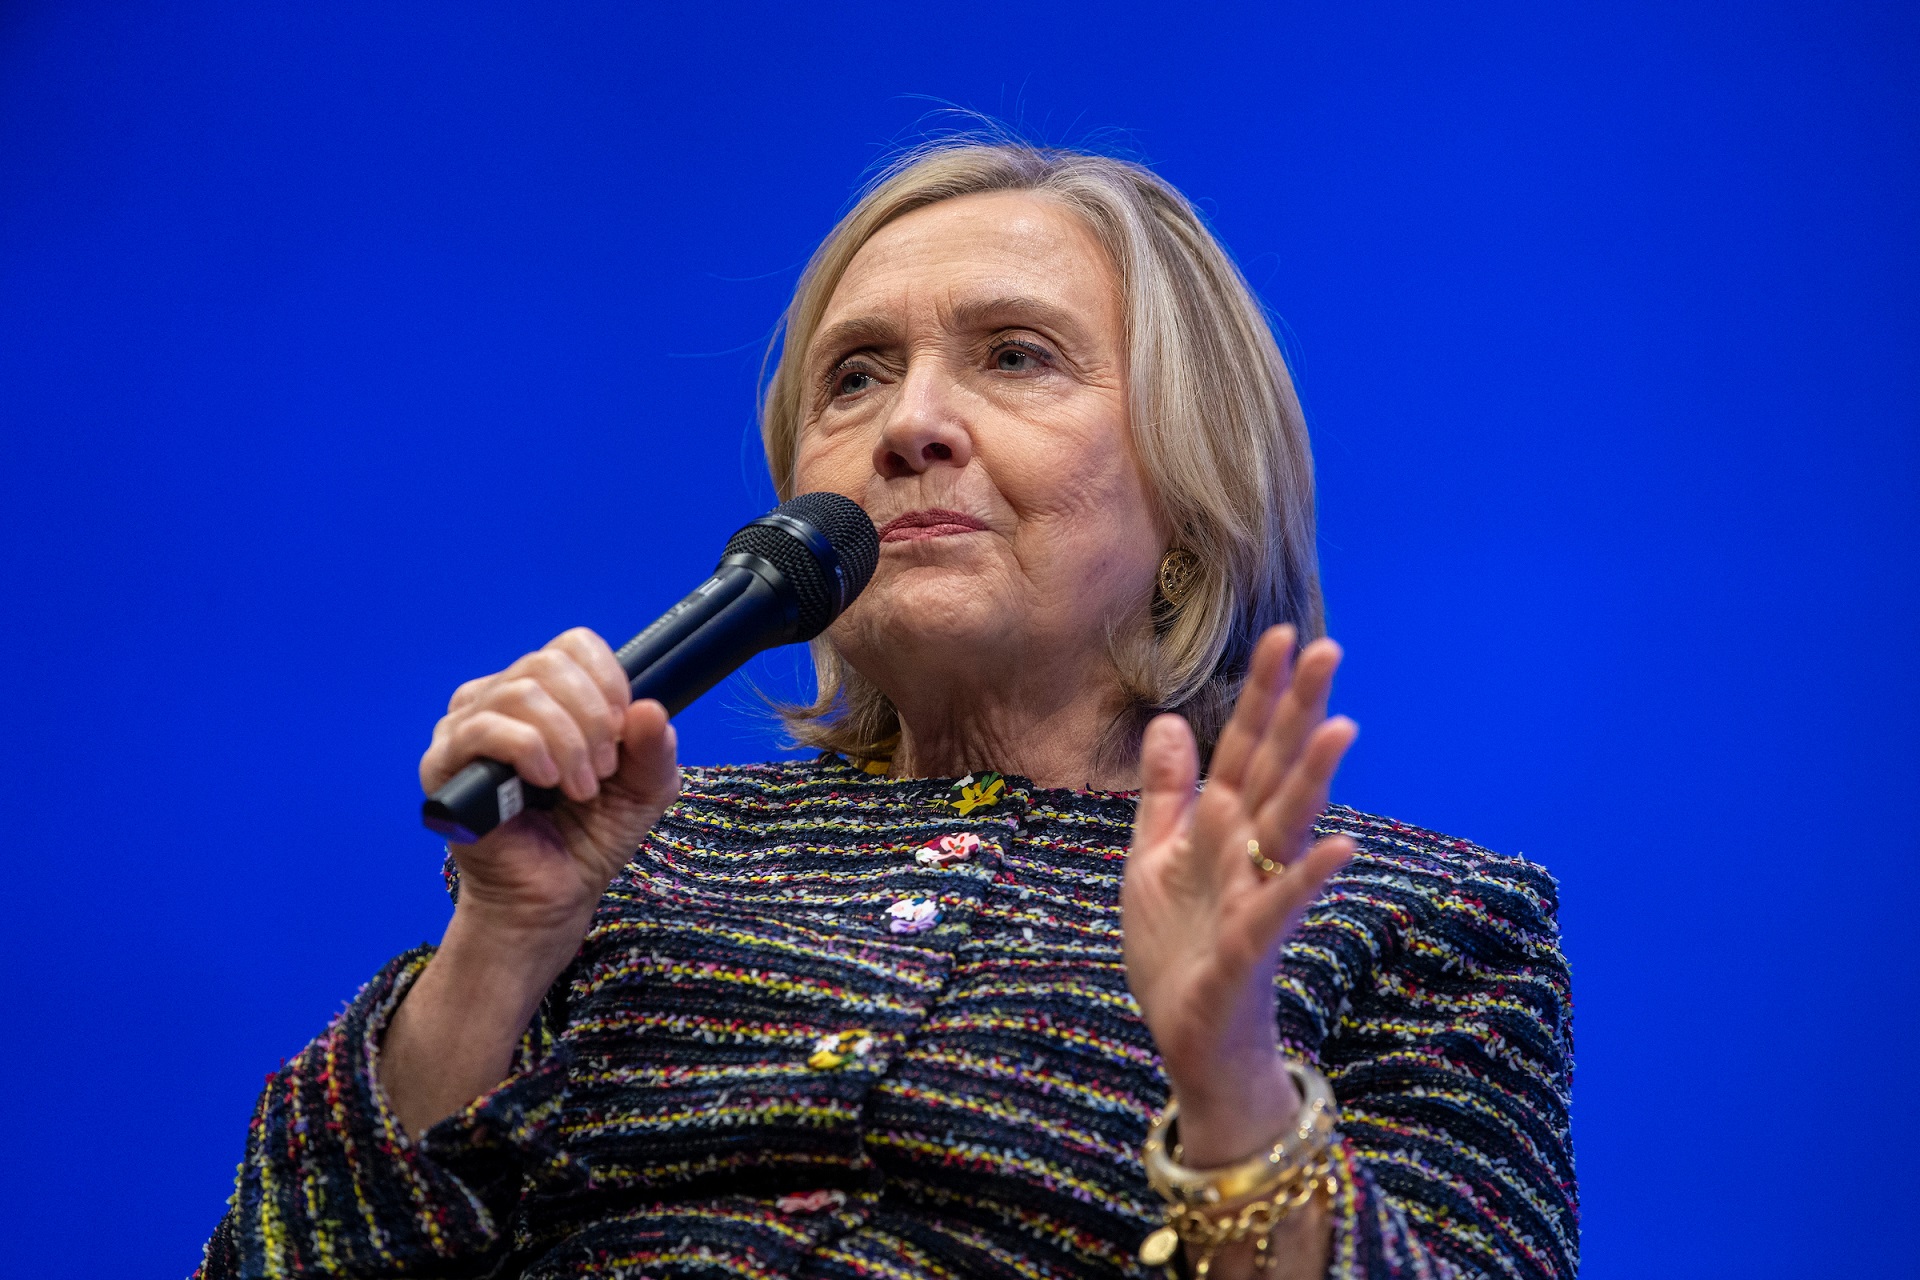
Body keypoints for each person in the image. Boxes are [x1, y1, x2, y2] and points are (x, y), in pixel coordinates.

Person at [196, 138, 1575, 1280]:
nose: (910, 423)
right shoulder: (625, 854)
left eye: (1017, 356)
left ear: (1189, 496)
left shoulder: (1408, 918)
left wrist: (1230, 1088)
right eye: (853, 376)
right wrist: (498, 944)